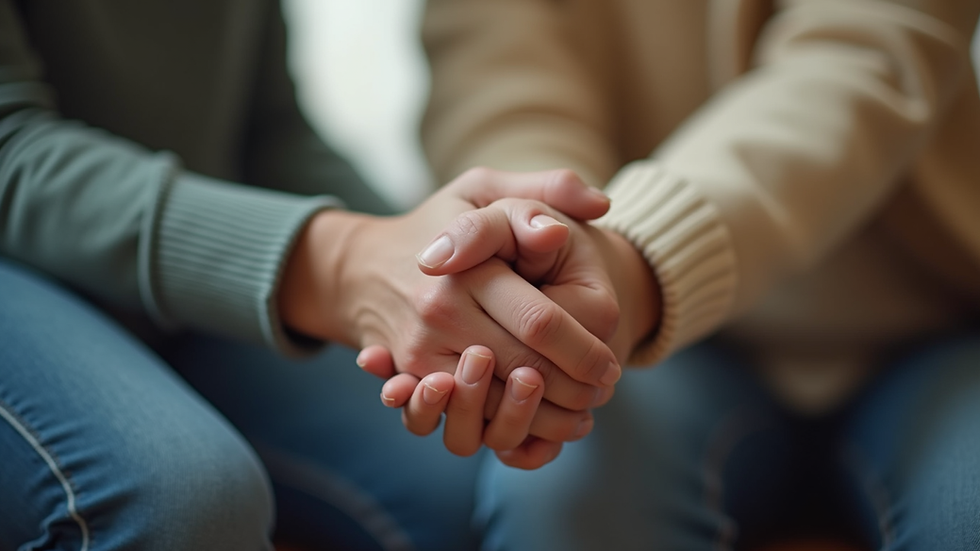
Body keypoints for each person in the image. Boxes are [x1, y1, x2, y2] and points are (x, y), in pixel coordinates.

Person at [0, 1, 622, 549]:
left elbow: (269, 129)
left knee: (473, 487)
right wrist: (346, 263)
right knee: (178, 501)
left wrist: (449, 263)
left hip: (176, 288)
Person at [388, 0, 980, 548]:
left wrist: (634, 264)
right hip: (671, 356)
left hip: (931, 326)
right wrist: (540, 242)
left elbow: (865, 58)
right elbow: (501, 87)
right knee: (566, 504)